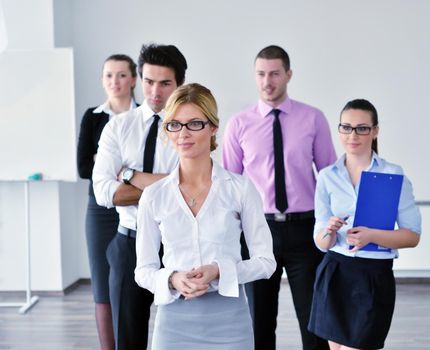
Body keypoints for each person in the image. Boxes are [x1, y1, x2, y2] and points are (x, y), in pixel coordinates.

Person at [134, 83, 276, 349]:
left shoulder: (240, 189)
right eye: (175, 124)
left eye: (195, 124)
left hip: (230, 324)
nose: (183, 134)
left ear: (212, 128)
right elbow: (143, 271)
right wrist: (173, 278)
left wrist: (220, 271)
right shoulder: (154, 196)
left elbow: (266, 262)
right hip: (173, 324)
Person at [222, 45, 336, 350]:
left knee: (315, 323)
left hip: (305, 230)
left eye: (274, 73)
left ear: (288, 74)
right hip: (259, 230)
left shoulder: (313, 119)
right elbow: (228, 186)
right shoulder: (238, 124)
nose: (267, 81)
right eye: (261, 74)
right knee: (259, 324)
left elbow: (330, 177)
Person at [92, 43, 187, 350]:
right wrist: (165, 184)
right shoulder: (118, 128)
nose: (155, 91)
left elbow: (188, 187)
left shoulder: (190, 131)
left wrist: (130, 175)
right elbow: (104, 191)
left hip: (177, 246)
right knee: (128, 340)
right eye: (148, 81)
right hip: (129, 243)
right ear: (139, 78)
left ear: (179, 85)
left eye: (164, 83)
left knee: (178, 339)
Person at [307, 99, 422, 350]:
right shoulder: (327, 176)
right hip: (335, 271)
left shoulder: (393, 174)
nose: (353, 135)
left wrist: (372, 236)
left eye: (362, 128)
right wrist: (329, 230)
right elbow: (321, 242)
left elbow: (412, 235)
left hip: (373, 275)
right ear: (339, 130)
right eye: (346, 127)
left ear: (375, 131)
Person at [76, 53, 137, 350]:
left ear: (134, 79)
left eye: (122, 74)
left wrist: (112, 167)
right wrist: (131, 172)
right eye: (109, 75)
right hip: (100, 211)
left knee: (141, 284)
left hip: (138, 207)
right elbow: (84, 169)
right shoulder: (93, 117)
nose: (115, 81)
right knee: (102, 286)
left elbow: (150, 168)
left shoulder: (145, 117)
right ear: (102, 80)